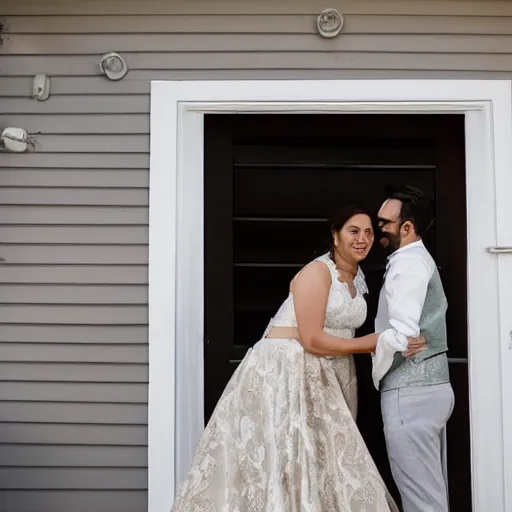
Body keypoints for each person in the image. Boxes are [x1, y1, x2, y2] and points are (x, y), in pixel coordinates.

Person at [172, 205, 425, 512]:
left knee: (324, 458)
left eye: (369, 231)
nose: (363, 238)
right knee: (289, 454)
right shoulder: (317, 271)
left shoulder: (358, 278)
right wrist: (373, 343)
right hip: (287, 367)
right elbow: (311, 339)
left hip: (328, 369)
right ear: (335, 235)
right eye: (353, 231)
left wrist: (405, 338)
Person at [374, 185, 455, 512]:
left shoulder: (407, 265)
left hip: (411, 394)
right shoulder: (417, 259)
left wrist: (367, 351)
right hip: (430, 389)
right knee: (431, 496)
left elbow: (404, 333)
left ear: (406, 228)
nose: (378, 228)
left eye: (384, 223)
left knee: (423, 502)